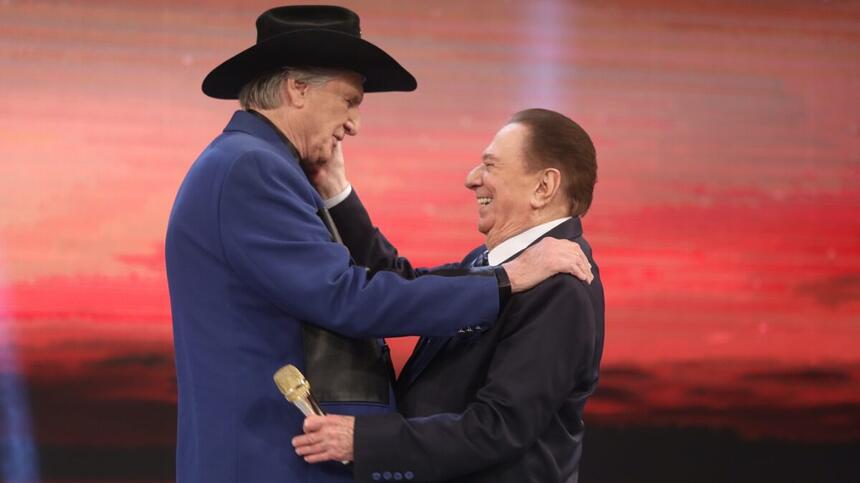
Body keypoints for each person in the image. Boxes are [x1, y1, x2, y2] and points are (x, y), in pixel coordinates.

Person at [164, 6, 593, 483]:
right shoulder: (253, 169)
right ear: (297, 88)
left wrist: (339, 197)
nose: (354, 124)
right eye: (350, 101)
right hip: (266, 461)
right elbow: (349, 296)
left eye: (491, 166)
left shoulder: (251, 163)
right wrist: (506, 280)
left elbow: (386, 283)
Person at [293, 108, 605, 482]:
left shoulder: (560, 288)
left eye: (490, 165)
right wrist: (334, 187)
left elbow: (497, 428)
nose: (472, 179)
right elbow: (405, 283)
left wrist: (363, 441)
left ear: (543, 187)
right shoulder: (497, 263)